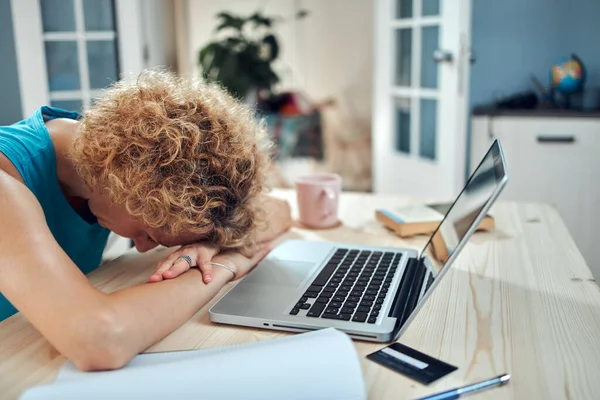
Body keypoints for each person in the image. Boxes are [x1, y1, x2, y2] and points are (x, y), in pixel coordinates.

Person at [0, 69, 292, 371]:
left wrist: (209, 244)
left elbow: (277, 210)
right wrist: (225, 266)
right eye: (150, 235)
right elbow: (100, 341)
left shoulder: (108, 153)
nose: (141, 248)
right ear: (131, 184)